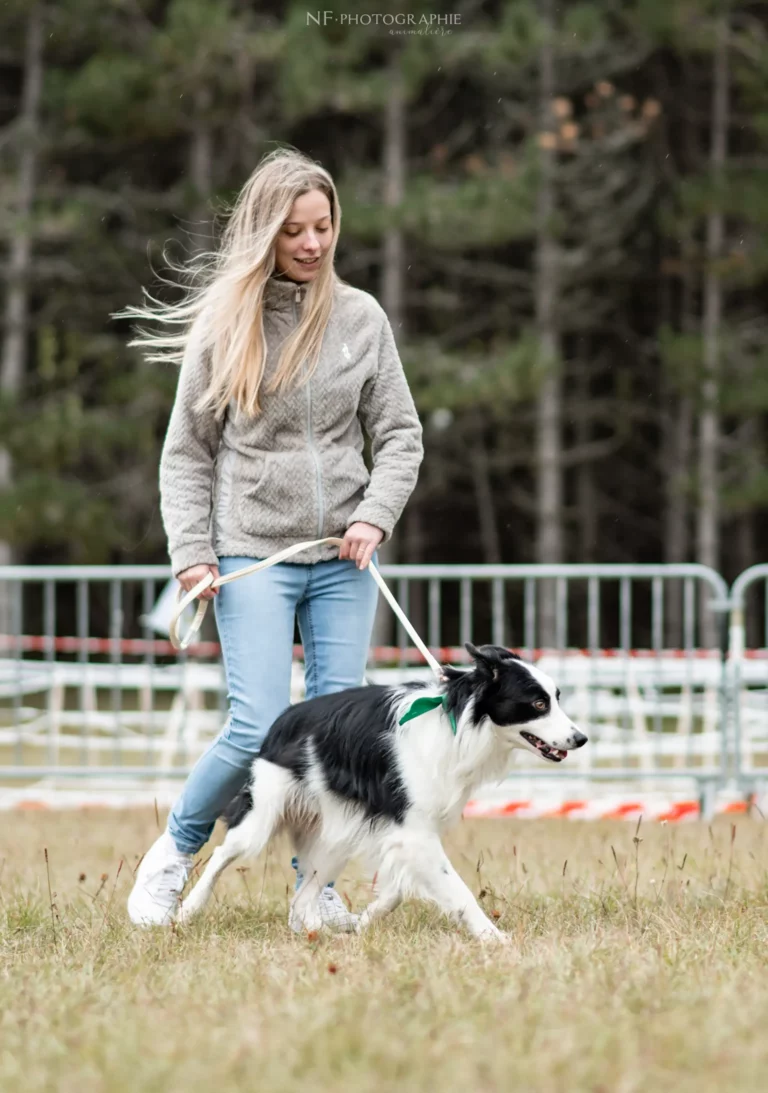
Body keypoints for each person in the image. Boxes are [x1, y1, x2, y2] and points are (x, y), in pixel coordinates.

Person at [121, 148, 423, 928]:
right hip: (251, 552)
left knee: (332, 733)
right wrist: (192, 554)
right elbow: (187, 452)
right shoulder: (227, 325)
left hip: (344, 559)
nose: (314, 243)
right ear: (265, 232)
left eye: (324, 227)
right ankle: (174, 854)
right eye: (295, 230)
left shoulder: (362, 318)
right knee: (258, 725)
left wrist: (373, 514)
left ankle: (312, 886)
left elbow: (400, 435)